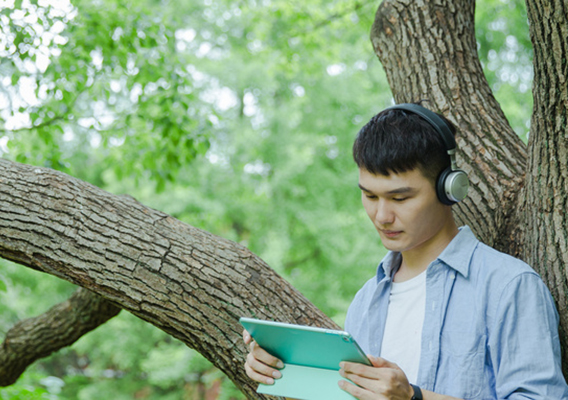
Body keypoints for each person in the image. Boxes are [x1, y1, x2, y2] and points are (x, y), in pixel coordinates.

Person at [242, 103, 568, 399]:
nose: (382, 216)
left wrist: (414, 398)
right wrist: (283, 373)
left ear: (449, 188)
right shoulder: (364, 302)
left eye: (400, 198)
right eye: (370, 196)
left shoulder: (509, 286)